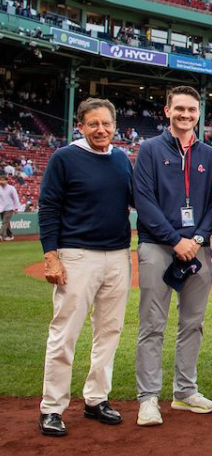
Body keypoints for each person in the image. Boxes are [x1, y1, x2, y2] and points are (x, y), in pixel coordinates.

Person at [37, 98, 134, 436]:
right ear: (80, 125)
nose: (101, 129)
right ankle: (52, 406)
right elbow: (48, 207)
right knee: (65, 334)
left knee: (109, 332)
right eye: (93, 123)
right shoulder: (64, 158)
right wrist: (51, 255)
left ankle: (96, 398)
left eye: (106, 123)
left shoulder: (121, 159)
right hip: (77, 256)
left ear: (115, 125)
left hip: (118, 255)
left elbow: (138, 200)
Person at [132, 86, 212, 426]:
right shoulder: (150, 150)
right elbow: (144, 202)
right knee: (152, 325)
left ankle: (185, 392)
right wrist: (175, 240)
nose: (186, 115)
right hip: (158, 245)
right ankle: (148, 398)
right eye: (180, 109)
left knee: (193, 324)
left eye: (192, 110)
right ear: (167, 110)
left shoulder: (210, 156)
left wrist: (197, 237)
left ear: (199, 114)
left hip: (198, 248)